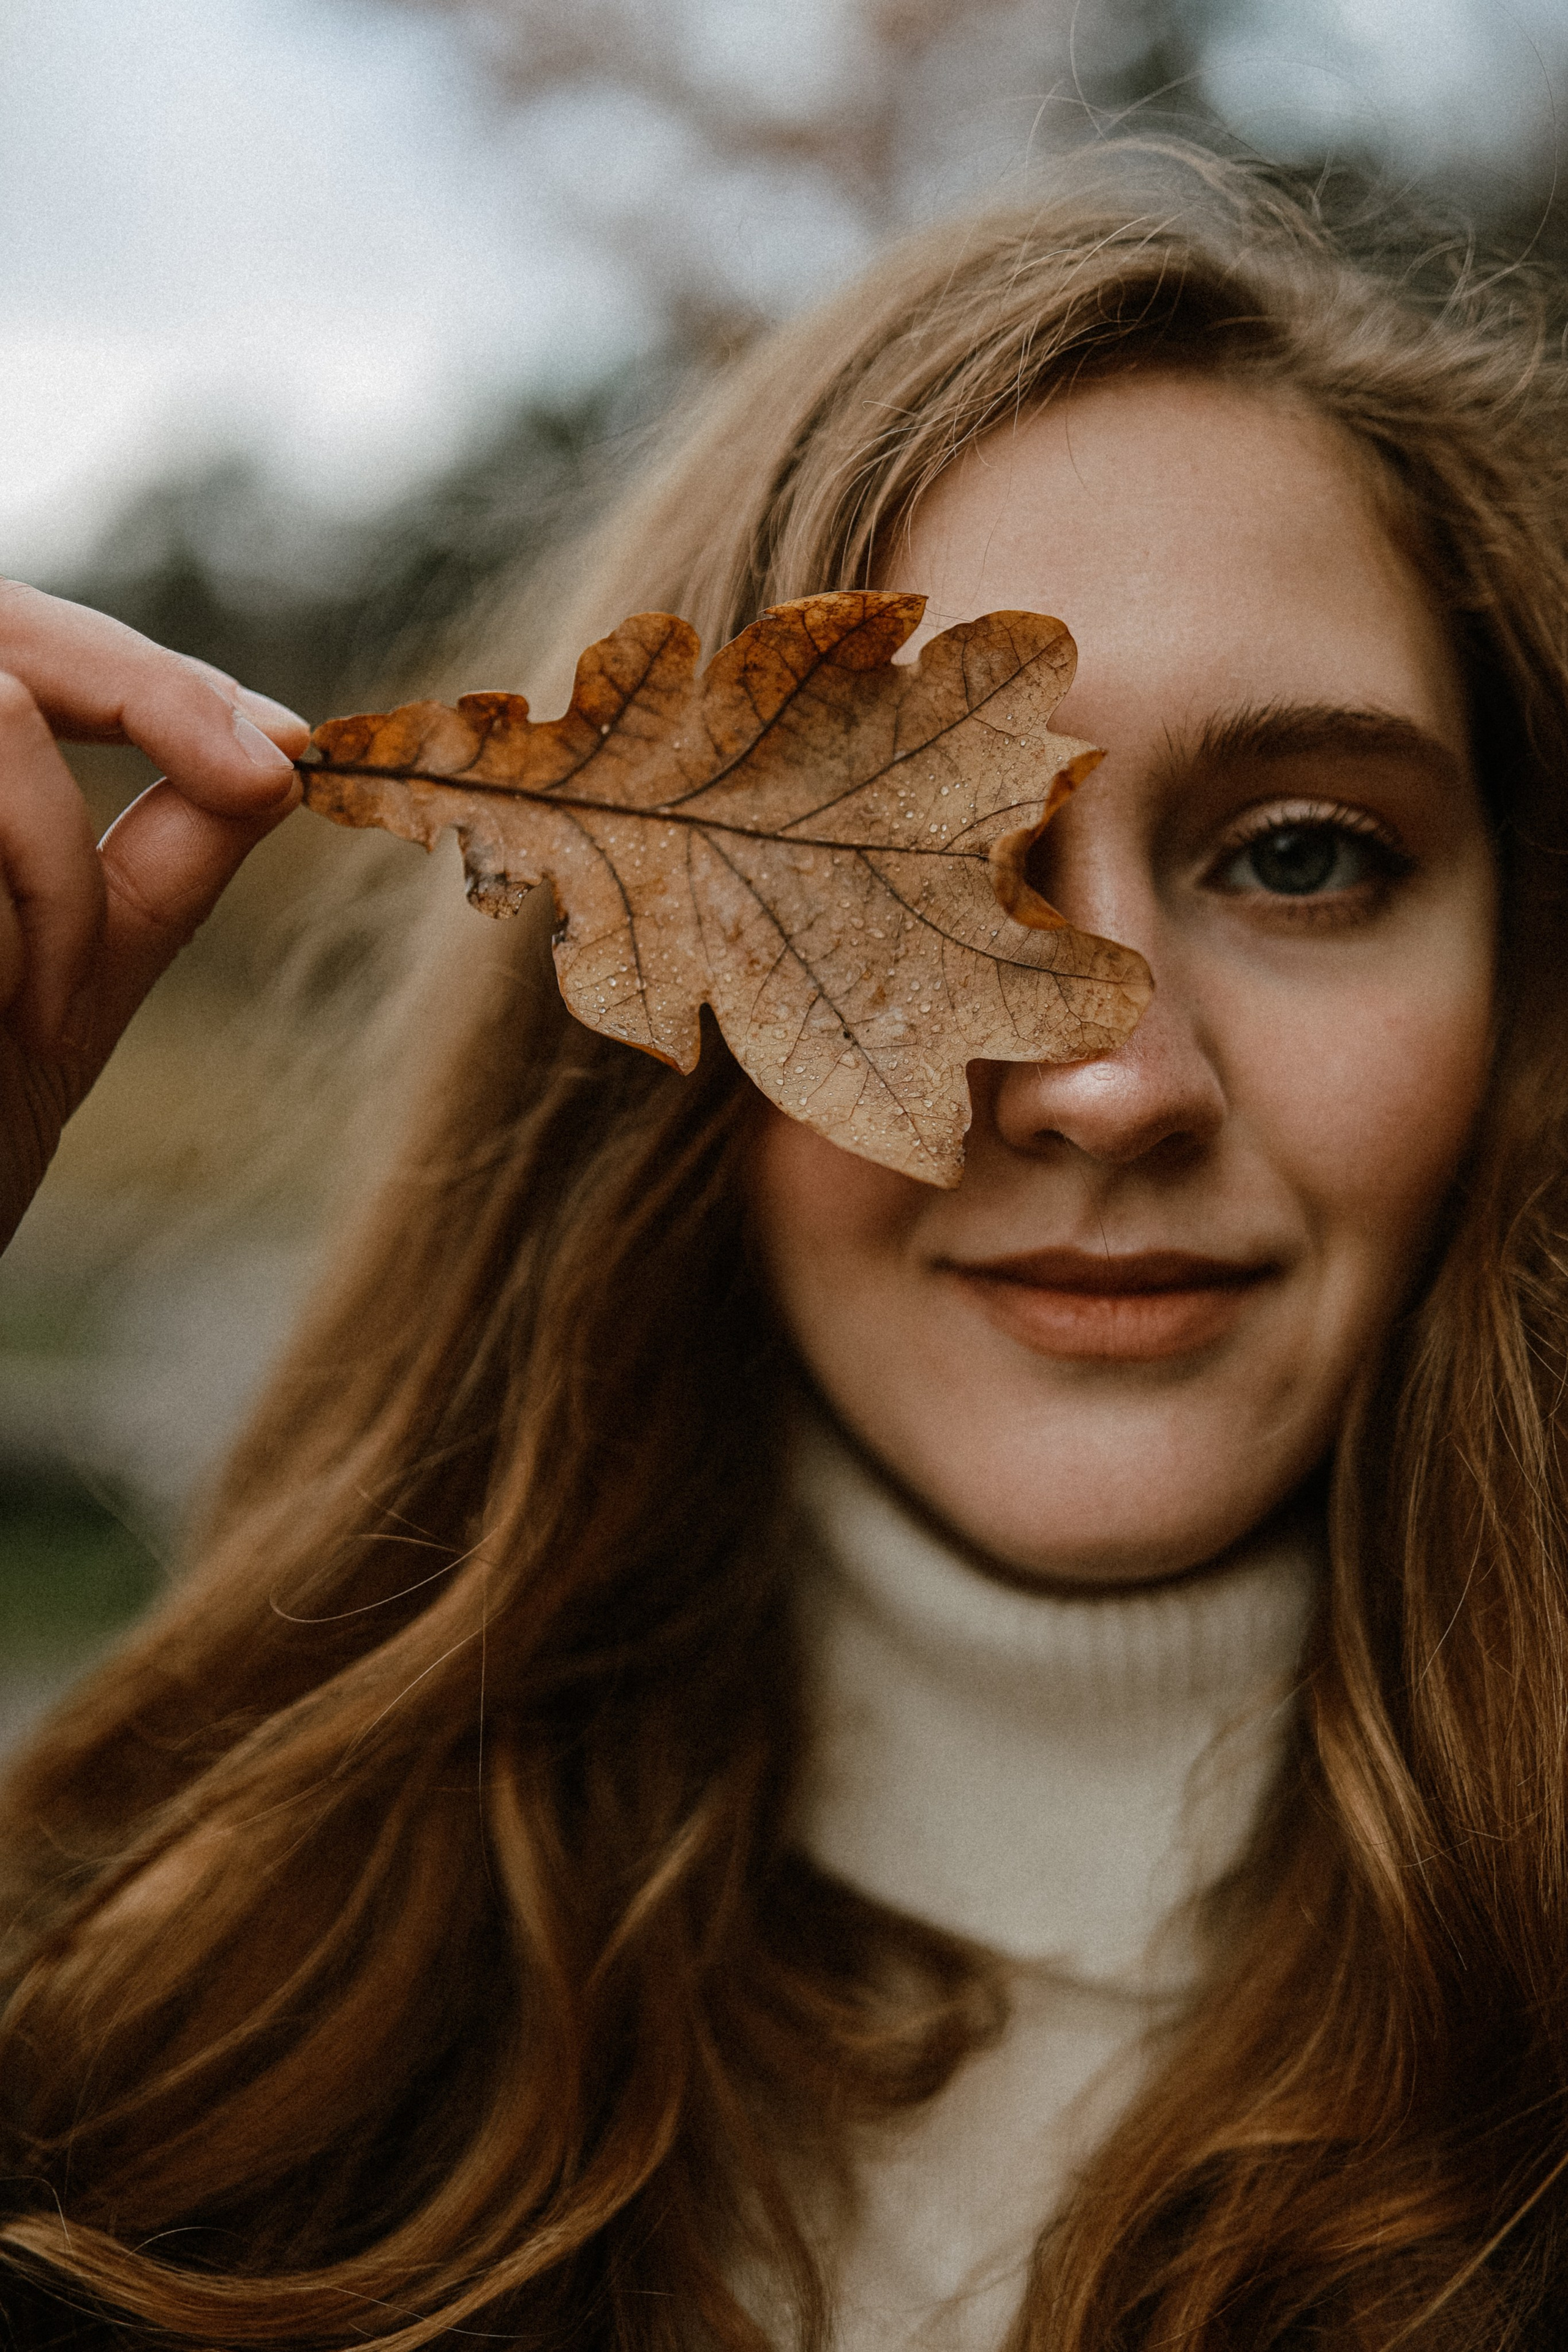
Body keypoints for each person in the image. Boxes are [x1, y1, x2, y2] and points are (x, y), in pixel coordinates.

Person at [0, 146, 1564, 2350]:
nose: (1112, 1080)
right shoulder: (149, 2066)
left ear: (1524, 982)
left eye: (1303, 855)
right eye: (917, 877)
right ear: (629, 1045)